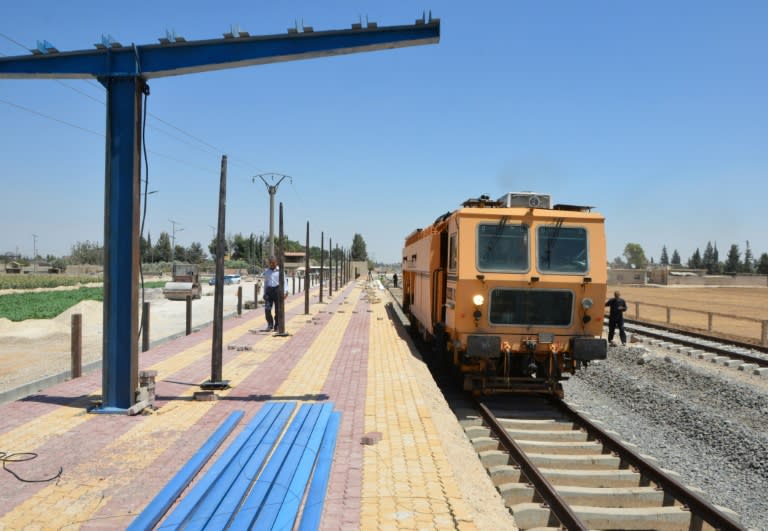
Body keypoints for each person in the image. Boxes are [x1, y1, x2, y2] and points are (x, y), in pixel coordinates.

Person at [262, 256, 281, 331]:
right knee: (267, 309)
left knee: (278, 310)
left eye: (273, 262)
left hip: (277, 290)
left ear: (276, 262)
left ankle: (277, 325)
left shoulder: (280, 271)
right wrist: (264, 293)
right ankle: (270, 324)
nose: (271, 264)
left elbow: (284, 282)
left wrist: (285, 292)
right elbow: (266, 282)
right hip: (269, 291)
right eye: (270, 263)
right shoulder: (267, 272)